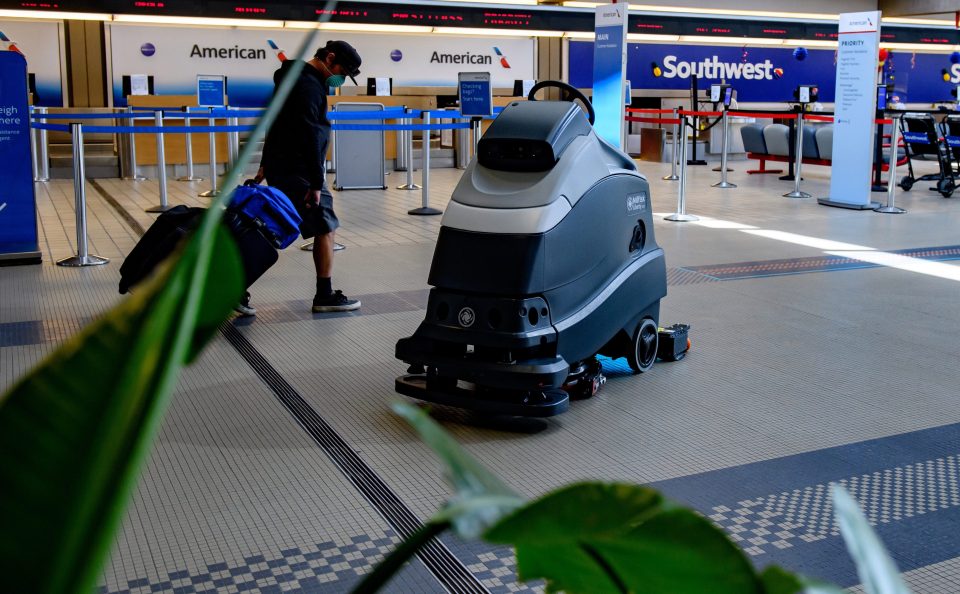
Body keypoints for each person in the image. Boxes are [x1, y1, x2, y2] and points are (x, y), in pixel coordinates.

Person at [248, 40, 363, 315]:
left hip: (284, 165)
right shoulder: (308, 87)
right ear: (329, 58)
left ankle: (235, 287)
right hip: (299, 169)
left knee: (271, 227)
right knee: (325, 226)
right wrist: (315, 182)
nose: (341, 79)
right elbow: (310, 135)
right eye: (342, 72)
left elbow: (275, 121)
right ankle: (324, 295)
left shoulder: (294, 80)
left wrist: (266, 162)